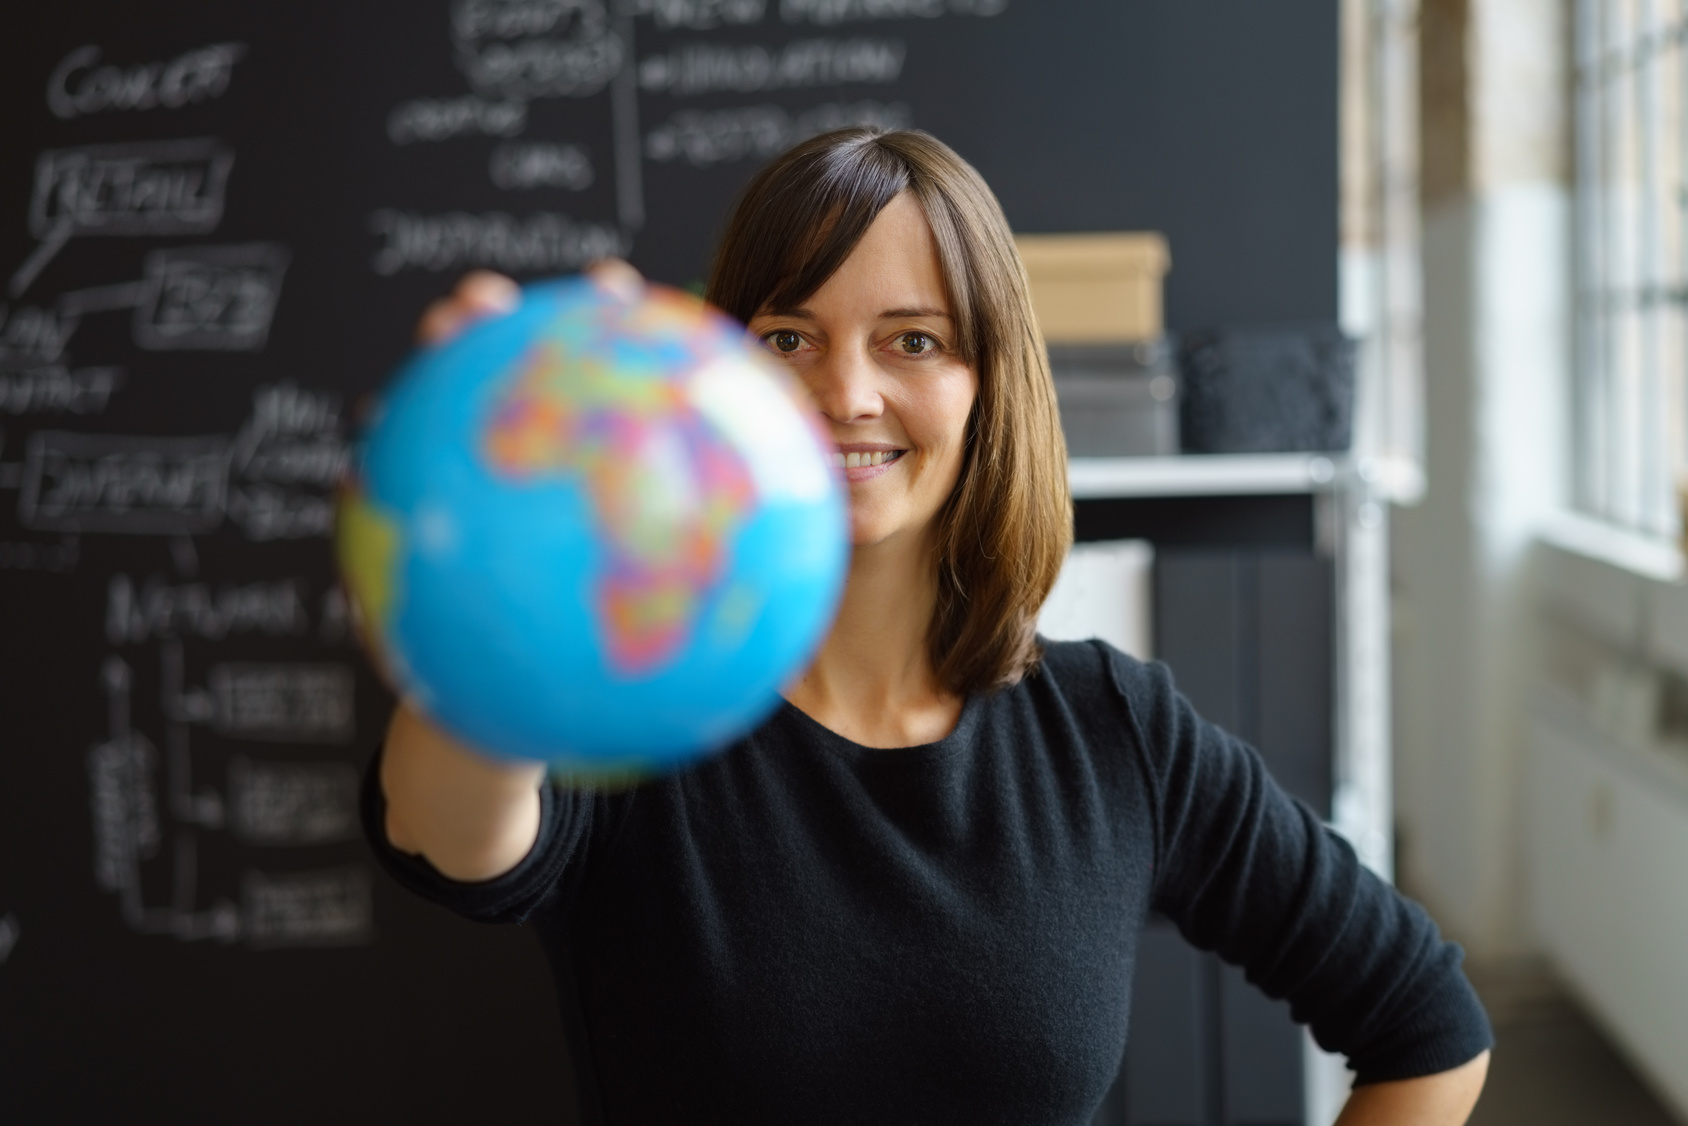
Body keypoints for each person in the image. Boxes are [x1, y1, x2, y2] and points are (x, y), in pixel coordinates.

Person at [364, 128, 1492, 1124]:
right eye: (785, 338)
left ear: (989, 385)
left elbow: (1427, 1028)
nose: (845, 394)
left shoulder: (1115, 728)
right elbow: (451, 827)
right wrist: (487, 539)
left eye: (912, 341)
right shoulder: (630, 702)